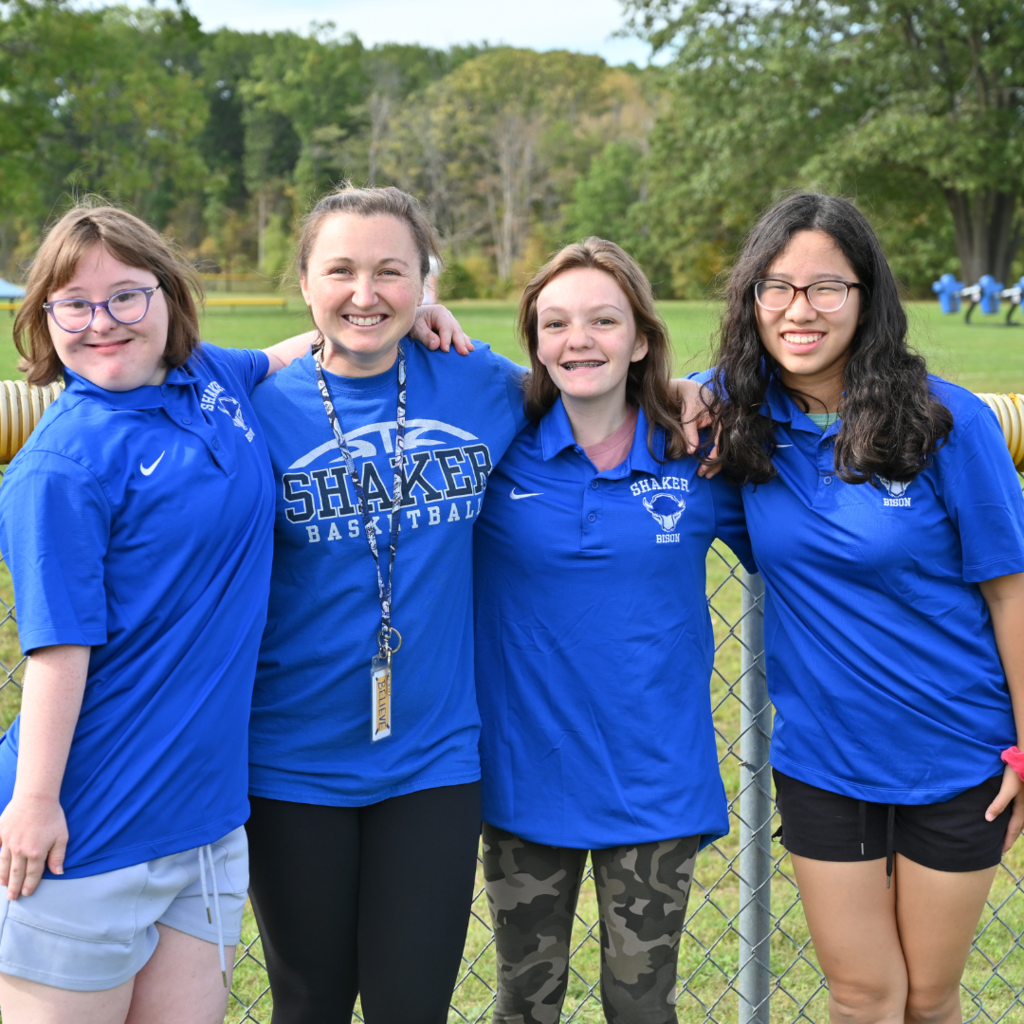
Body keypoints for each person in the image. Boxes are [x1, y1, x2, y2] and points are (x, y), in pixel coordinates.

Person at [0, 203, 462, 1024]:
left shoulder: (210, 379)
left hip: (207, 823)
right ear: (42, 320)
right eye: (73, 304)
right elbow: (56, 651)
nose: (102, 323)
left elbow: (311, 344)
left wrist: (412, 308)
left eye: (127, 297)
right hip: (90, 821)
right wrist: (34, 803)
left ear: (171, 296)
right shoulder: (59, 467)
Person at [703, 192, 1024, 1024]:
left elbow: (1011, 591)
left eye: (825, 288)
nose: (798, 309)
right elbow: (589, 365)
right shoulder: (741, 420)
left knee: (927, 997)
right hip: (826, 760)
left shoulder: (946, 423)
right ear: (752, 299)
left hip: (958, 757)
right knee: (861, 996)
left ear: (867, 297)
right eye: (776, 287)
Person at [471, 238, 752, 1024]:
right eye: (555, 323)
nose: (579, 340)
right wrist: (427, 308)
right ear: (533, 341)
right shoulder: (496, 451)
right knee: (525, 1001)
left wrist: (701, 393)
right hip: (525, 778)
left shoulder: (695, 456)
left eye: (603, 320)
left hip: (654, 783)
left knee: (641, 1005)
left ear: (641, 339)